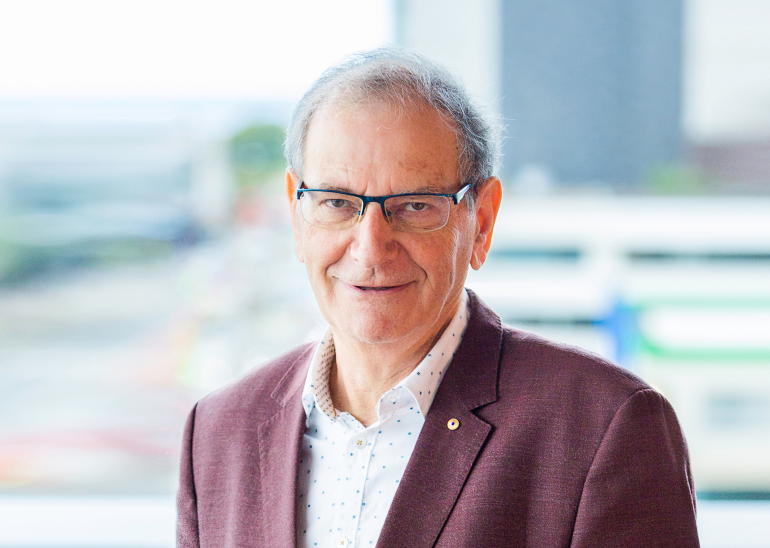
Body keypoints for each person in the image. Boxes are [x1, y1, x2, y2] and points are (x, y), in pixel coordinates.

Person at [176, 49, 699, 547]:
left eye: (414, 207)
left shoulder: (602, 426)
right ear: (297, 213)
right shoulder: (219, 431)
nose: (370, 248)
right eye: (336, 202)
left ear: (482, 221)